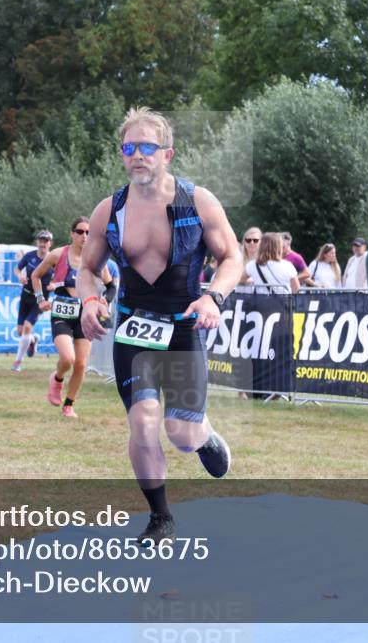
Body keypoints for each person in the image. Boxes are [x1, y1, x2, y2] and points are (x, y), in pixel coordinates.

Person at [77, 106, 242, 546]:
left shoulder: (197, 201)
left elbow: (232, 258)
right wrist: (90, 301)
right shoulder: (108, 210)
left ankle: (204, 436)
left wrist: (214, 296)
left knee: (181, 433)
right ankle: (160, 517)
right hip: (133, 328)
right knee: (143, 420)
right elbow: (87, 269)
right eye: (130, 147)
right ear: (121, 154)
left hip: (183, 325)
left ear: (167, 154)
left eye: (147, 147)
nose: (138, 156)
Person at [31, 218, 115, 416]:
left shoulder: (96, 259)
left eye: (88, 232)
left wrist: (105, 301)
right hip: (62, 312)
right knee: (68, 358)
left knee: (81, 364)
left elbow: (111, 286)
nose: (84, 236)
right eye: (80, 231)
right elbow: (35, 275)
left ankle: (68, 405)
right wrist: (40, 299)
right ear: (72, 233)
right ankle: (58, 378)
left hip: (86, 315)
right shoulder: (58, 254)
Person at [12, 230, 54, 372]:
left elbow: (61, 277)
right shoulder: (29, 256)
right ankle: (32, 340)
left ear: (50, 243)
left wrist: (54, 284)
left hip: (41, 300)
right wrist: (20, 277)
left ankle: (17, 362)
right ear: (37, 242)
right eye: (40, 240)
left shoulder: (54, 259)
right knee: (20, 331)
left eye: (46, 241)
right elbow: (17, 269)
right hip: (26, 295)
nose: (42, 243)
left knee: (27, 326)